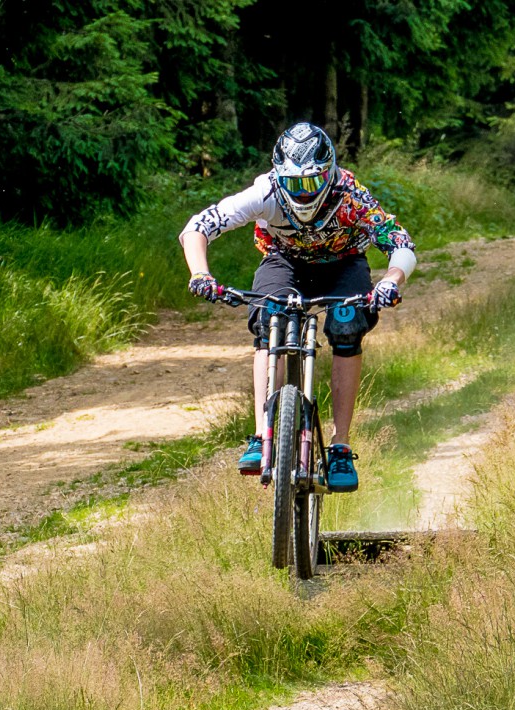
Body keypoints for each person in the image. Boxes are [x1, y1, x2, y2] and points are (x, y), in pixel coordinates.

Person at [178, 122, 416, 493]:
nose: (303, 194)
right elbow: (198, 227)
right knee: (268, 317)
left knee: (347, 323)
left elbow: (399, 242)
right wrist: (200, 274)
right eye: (293, 184)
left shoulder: (350, 196)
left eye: (311, 183)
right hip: (284, 262)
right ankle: (261, 434)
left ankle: (340, 446)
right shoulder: (265, 192)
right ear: (279, 176)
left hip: (343, 264)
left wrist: (390, 281)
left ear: (329, 173)